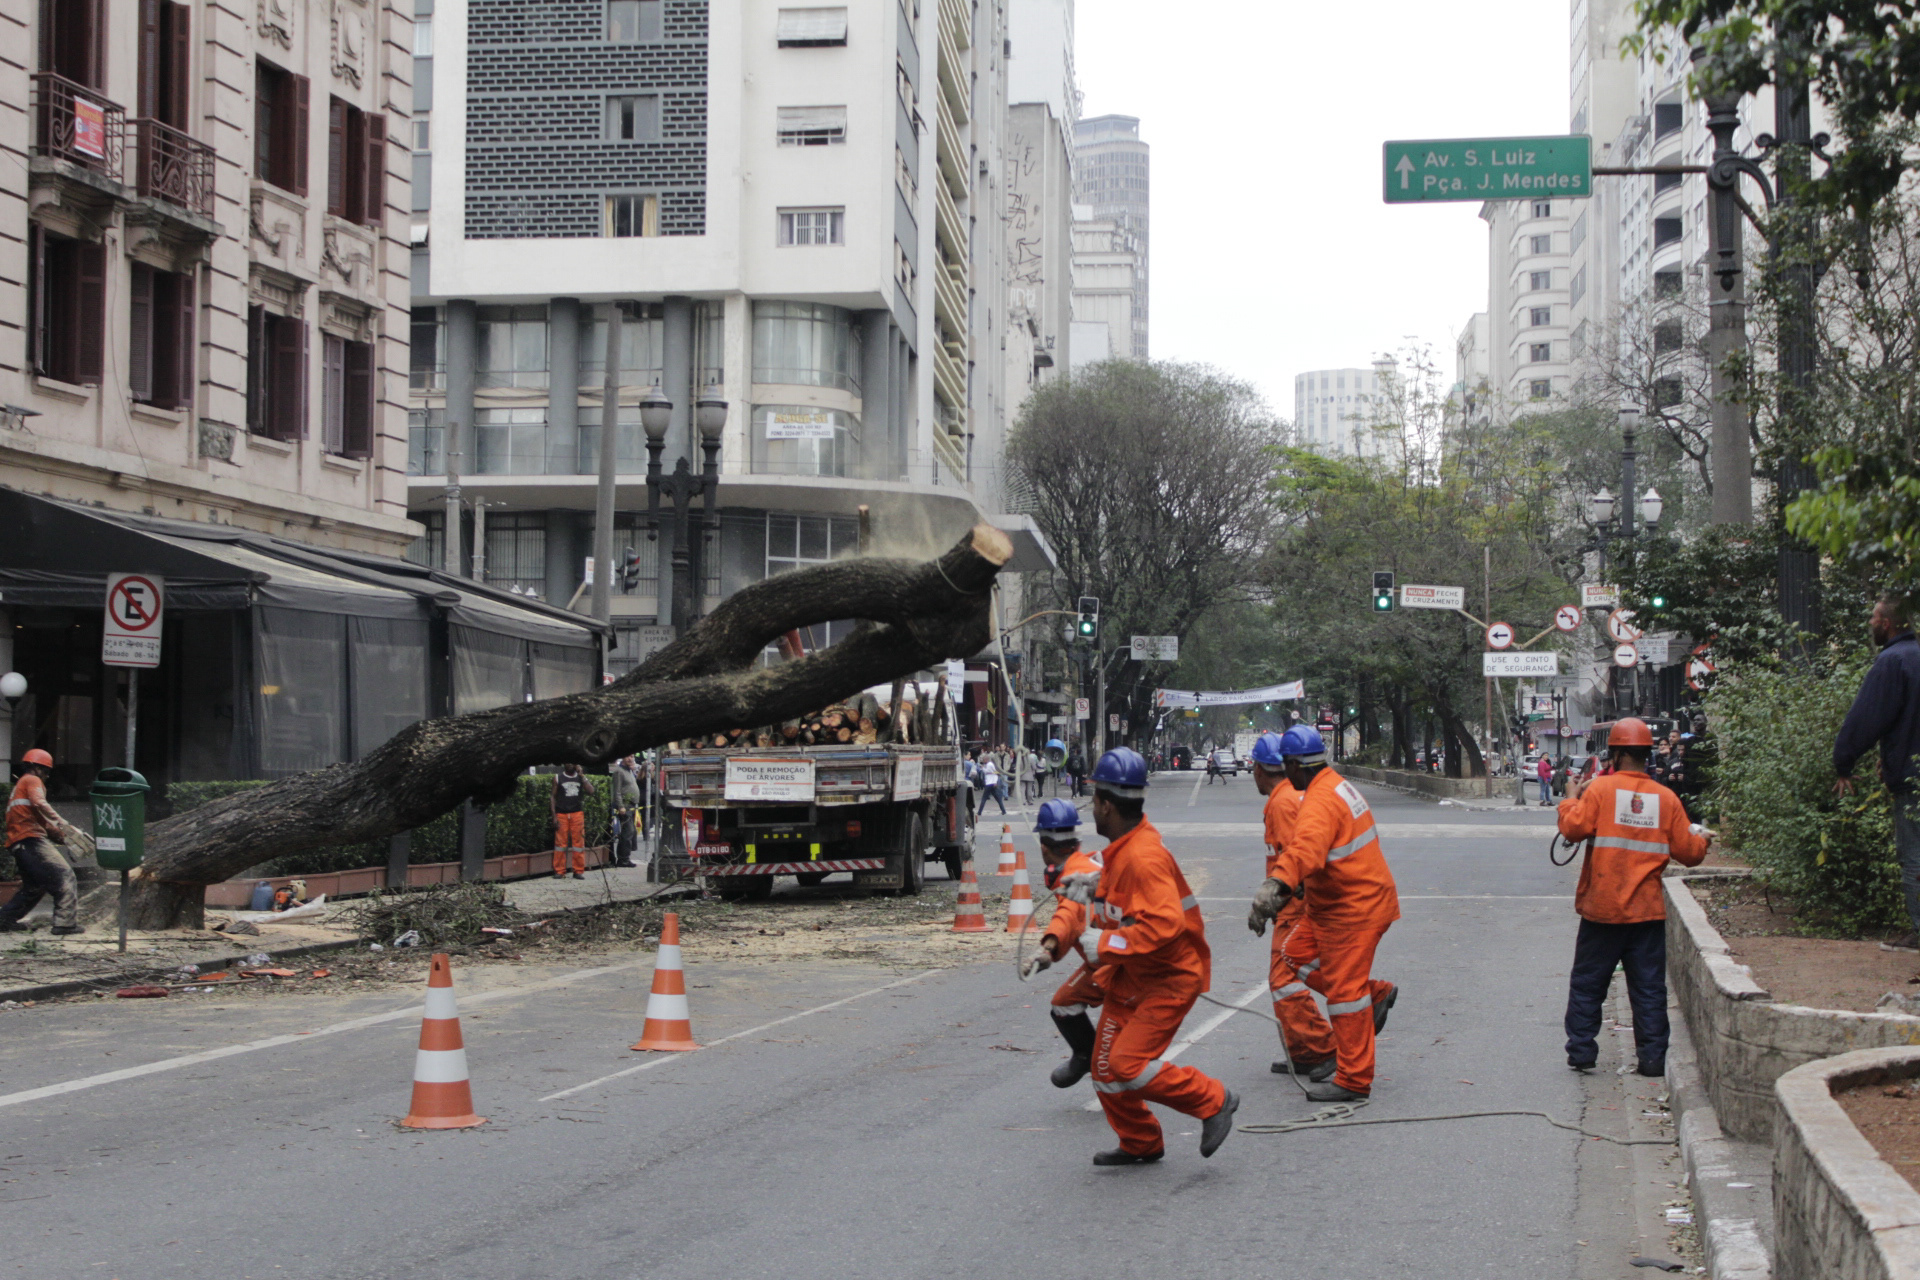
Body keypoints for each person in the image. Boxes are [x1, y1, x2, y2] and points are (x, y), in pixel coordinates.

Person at [1065, 747, 1238, 1165]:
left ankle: (1214, 1100)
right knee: (1105, 1070)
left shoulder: (1143, 856)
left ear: (1106, 804)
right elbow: (1128, 899)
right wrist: (1094, 886)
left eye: (1094, 802)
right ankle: (1140, 1142)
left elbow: (1164, 925)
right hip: (1133, 978)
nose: (1092, 810)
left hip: (1168, 980)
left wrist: (1103, 945)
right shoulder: (1125, 847)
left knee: (1126, 1064)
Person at [1247, 726, 1400, 1103]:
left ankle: (1353, 1078)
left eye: (1288, 766)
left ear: (1296, 765)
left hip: (1353, 908)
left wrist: (1275, 887)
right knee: (1295, 954)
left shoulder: (1318, 801)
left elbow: (1304, 851)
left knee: (1345, 996)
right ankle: (1374, 994)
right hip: (1335, 903)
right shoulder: (1332, 786)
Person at [1558, 717, 1711, 1076]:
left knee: (1587, 984)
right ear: (1645, 754)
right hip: (1646, 913)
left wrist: (1569, 799)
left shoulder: (1598, 791)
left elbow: (1573, 828)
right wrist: (1704, 840)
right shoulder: (1666, 798)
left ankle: (1582, 1052)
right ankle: (1653, 1059)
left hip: (1602, 910)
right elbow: (1689, 853)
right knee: (1648, 990)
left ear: (1616, 752)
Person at [1246, 731, 1336, 1083]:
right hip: (1292, 901)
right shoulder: (1286, 798)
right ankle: (1304, 1052)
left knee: (1284, 979)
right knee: (1286, 978)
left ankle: (1321, 1048)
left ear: (1257, 768)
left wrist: (1274, 901)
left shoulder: (1283, 803)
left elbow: (1293, 857)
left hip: (1293, 904)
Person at [1834, 596, 1920, 949]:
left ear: (1886, 623)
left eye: (1873, 617)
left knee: (1913, 853)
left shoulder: (1892, 661)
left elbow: (1868, 717)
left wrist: (1845, 762)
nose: (1869, 623)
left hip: (1912, 779)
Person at [1024, 798, 1106, 1088]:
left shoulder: (1077, 878)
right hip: (1109, 961)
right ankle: (1087, 1057)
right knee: (1063, 1003)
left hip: (1122, 966)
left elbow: (1069, 914)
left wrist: (1047, 948)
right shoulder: (1092, 863)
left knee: (1120, 1060)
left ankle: (1206, 1100)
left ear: (1044, 847)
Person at [0, 749, 88, 935]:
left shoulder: (21, 787)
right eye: (46, 772)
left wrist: (64, 837)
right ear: (38, 768)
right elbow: (40, 803)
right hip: (31, 841)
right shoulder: (32, 780)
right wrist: (63, 824)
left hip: (20, 844)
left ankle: (4, 921)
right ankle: (65, 923)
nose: (47, 776)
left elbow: (43, 823)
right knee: (64, 876)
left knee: (34, 887)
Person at [550, 763, 594, 879]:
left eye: (572, 762)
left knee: (578, 843)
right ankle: (559, 871)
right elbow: (553, 797)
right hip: (561, 814)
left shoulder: (580, 777)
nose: (570, 764)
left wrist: (582, 776)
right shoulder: (558, 777)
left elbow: (591, 791)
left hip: (577, 814)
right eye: (567, 762)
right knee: (560, 844)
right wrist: (554, 816)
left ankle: (578, 870)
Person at [610, 755, 642, 868]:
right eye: (628, 756)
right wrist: (620, 806)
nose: (630, 758)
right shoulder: (619, 771)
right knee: (628, 832)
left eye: (632, 756)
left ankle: (625, 857)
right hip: (625, 805)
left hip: (632, 805)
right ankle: (623, 859)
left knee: (631, 833)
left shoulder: (629, 770)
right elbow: (617, 791)